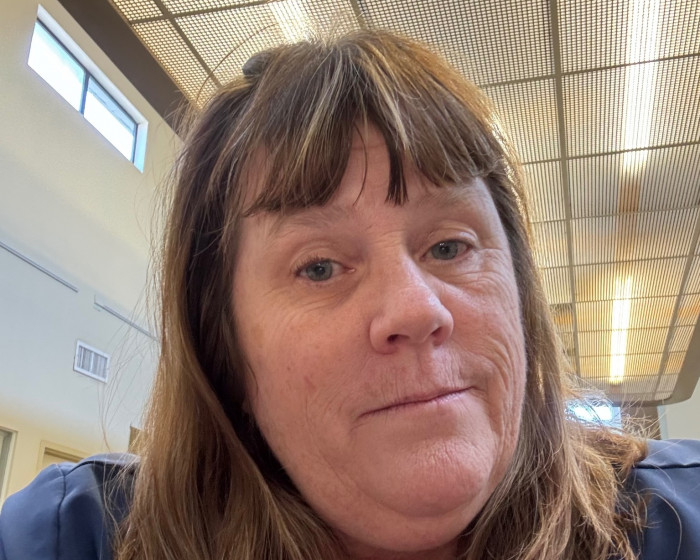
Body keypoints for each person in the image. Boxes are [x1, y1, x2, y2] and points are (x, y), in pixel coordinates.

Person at [2, 29, 700, 560]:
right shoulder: (77, 535)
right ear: (224, 347)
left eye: (450, 247)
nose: (417, 309)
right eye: (319, 267)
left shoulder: (675, 520)